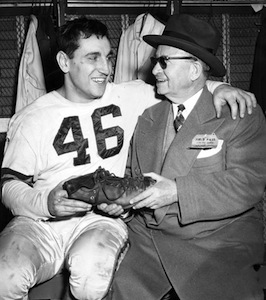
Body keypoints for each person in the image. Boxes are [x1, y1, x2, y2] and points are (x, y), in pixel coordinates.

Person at [0, 16, 257, 300]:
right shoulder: (31, 117)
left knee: (91, 277)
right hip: (41, 222)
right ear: (63, 62)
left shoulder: (132, 96)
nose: (106, 68)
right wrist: (47, 202)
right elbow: (9, 184)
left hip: (99, 222)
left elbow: (189, 87)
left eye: (108, 57)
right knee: (4, 277)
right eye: (92, 58)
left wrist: (220, 87)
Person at [106, 14, 266, 300]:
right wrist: (123, 205)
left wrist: (177, 191)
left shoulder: (239, 115)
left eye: (164, 61)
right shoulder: (148, 117)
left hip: (216, 241)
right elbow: (133, 176)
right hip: (151, 240)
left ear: (194, 70)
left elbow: (247, 183)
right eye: (155, 60)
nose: (154, 69)